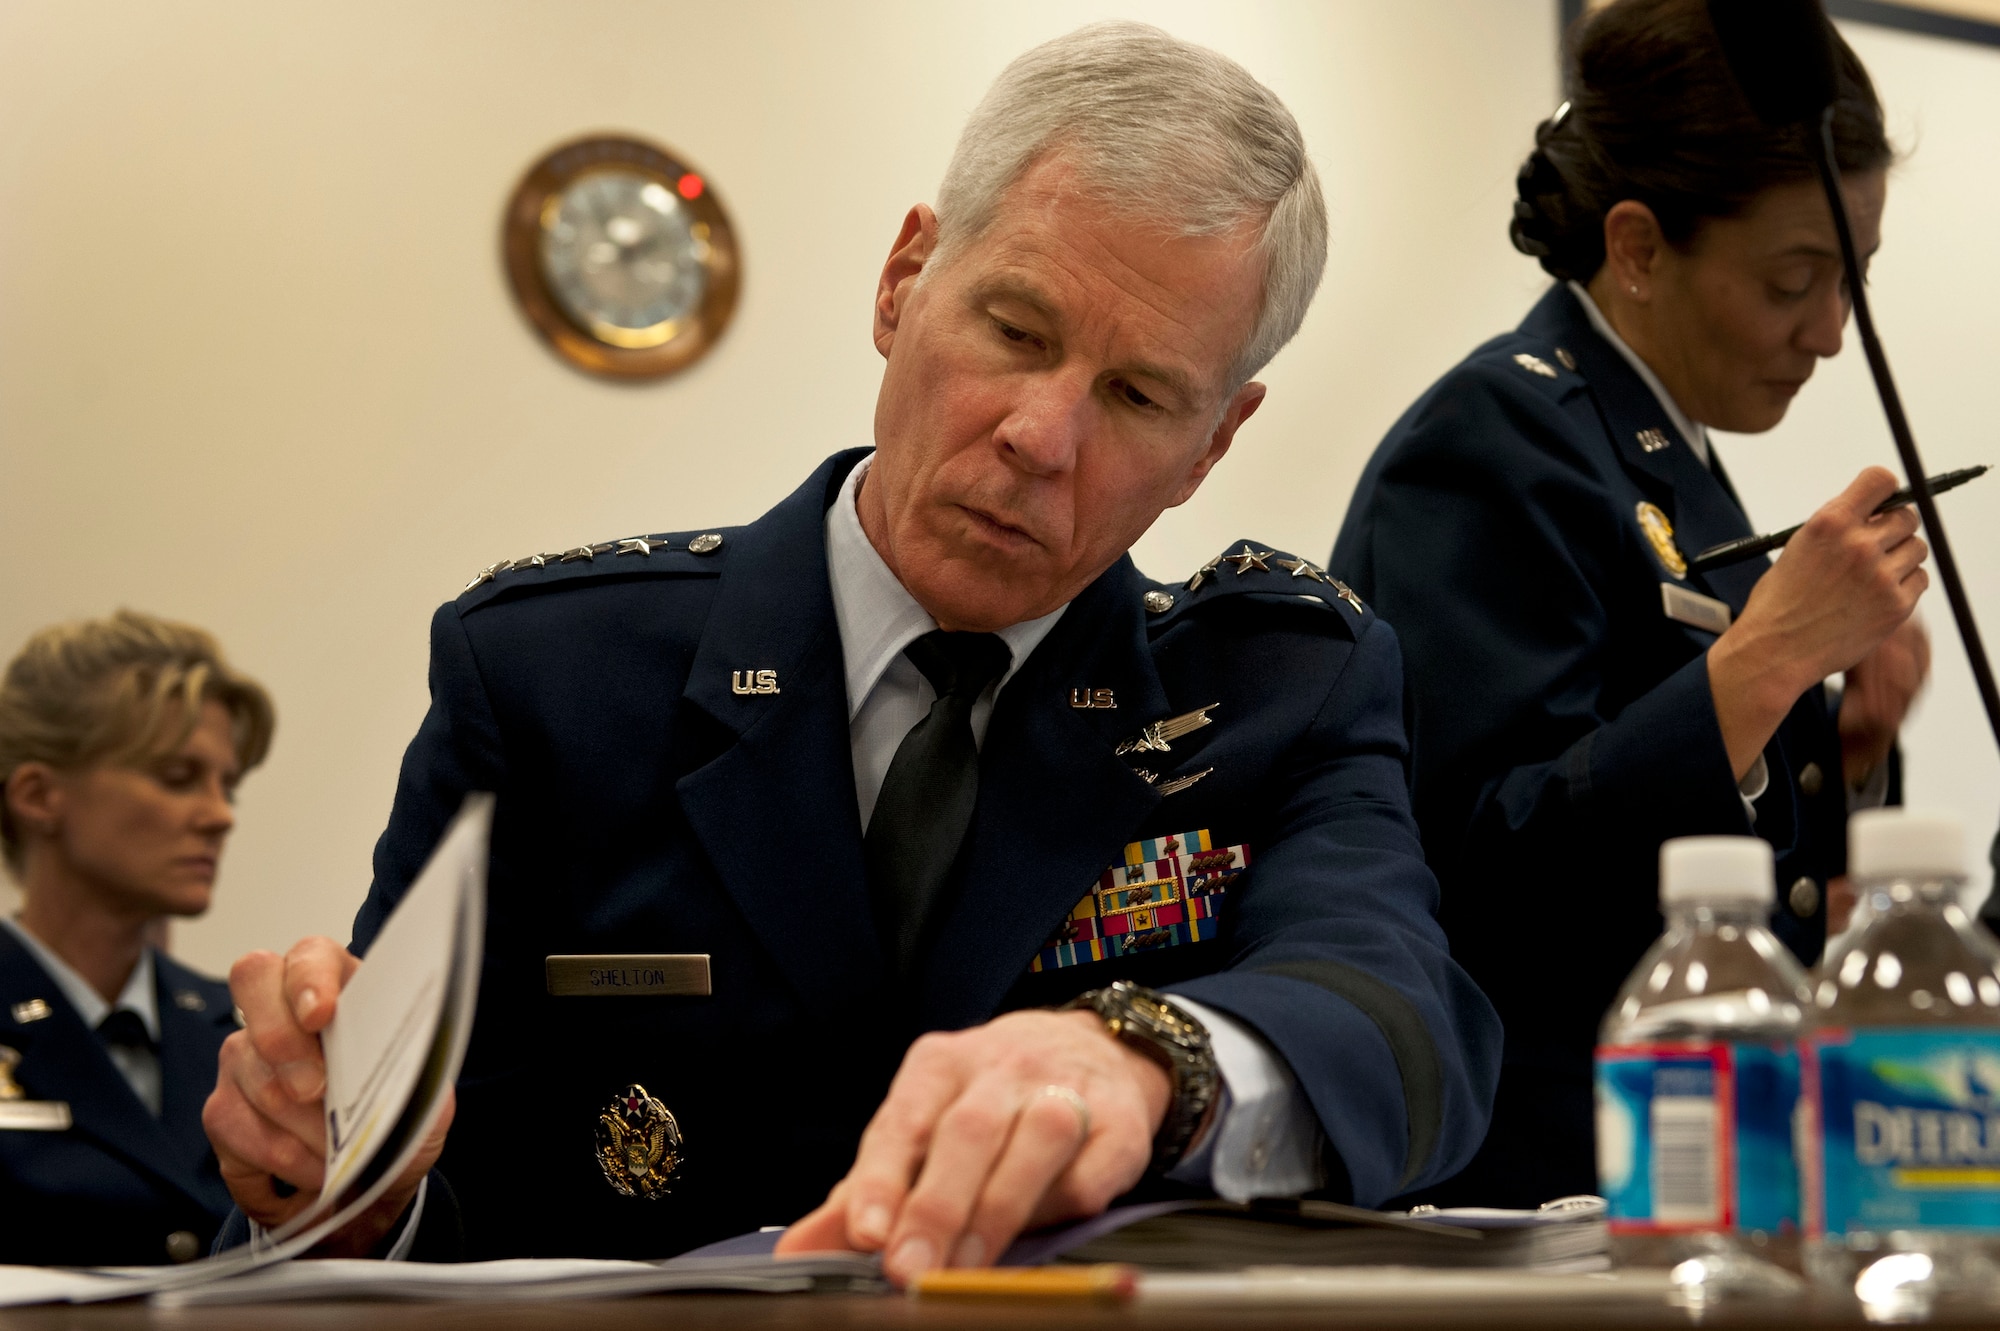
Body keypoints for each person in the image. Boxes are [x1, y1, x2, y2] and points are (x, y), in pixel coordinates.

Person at [202, 22, 1501, 1279]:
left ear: (1215, 442)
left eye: (1139, 394)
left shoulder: (1276, 686)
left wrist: (1149, 1060)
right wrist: (325, 1181)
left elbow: (1401, 1022)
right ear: (903, 281)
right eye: (1016, 329)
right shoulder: (552, 677)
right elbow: (382, 1172)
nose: (1041, 437)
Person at [1329, 0, 1928, 1208]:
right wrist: (1762, 665)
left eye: (1850, 278)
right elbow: (1474, 869)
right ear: (1640, 247)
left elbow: (1749, 864)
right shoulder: (1492, 438)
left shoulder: (1657, 446)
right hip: (1530, 1188)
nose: (1826, 332)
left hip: (1699, 1164)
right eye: (1793, 279)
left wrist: (1849, 747)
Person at [0, 610, 274, 1264]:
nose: (219, 815)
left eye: (226, 785)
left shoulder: (246, 1036)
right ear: (39, 795)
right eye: (177, 778)